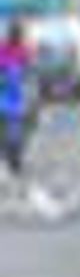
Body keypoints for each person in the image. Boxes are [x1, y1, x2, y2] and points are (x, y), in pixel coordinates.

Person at [0, 14, 35, 174]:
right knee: (14, 131)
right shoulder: (20, 51)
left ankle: (13, 160)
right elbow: (28, 73)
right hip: (12, 97)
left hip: (13, 97)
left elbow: (28, 73)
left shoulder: (20, 51)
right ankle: (13, 160)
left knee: (14, 131)